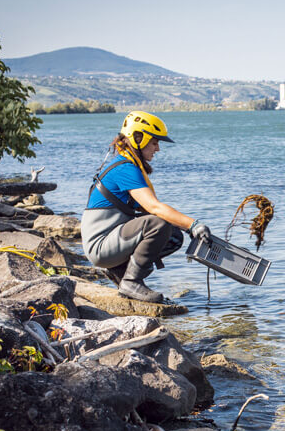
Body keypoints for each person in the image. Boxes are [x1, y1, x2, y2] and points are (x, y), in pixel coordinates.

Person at [81, 111, 212, 303]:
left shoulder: (127, 164)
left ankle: (121, 273)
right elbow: (154, 208)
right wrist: (194, 225)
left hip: (108, 241)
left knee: (173, 235)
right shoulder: (125, 168)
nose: (157, 148)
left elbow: (148, 211)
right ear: (138, 138)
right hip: (100, 246)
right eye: (155, 142)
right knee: (159, 225)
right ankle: (131, 282)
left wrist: (183, 227)